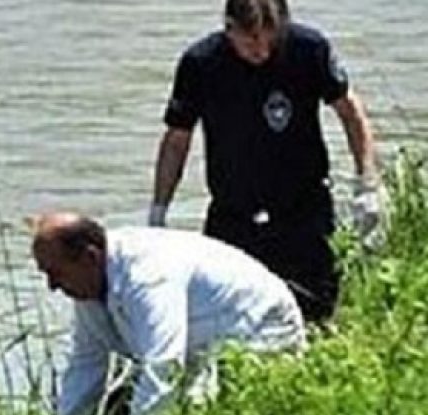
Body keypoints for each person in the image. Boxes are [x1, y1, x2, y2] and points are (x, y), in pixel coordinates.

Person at [149, 0, 381, 323]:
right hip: (234, 217)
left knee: (316, 316)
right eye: (251, 41)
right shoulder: (200, 64)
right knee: (224, 321)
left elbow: (351, 113)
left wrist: (367, 183)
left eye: (271, 39)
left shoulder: (307, 49)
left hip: (304, 213)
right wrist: (159, 211)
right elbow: (177, 140)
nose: (263, 51)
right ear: (230, 29)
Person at [32, 211, 306, 415]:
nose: (52, 286)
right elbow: (85, 367)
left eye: (55, 273)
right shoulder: (90, 283)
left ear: (89, 257)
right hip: (204, 344)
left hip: (263, 329)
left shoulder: (147, 276)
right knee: (164, 414)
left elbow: (163, 364)